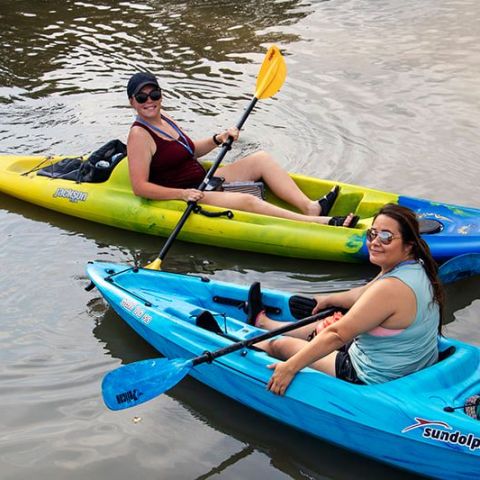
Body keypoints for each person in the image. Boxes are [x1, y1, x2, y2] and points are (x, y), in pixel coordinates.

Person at [247, 204, 444, 393]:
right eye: (372, 233)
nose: (375, 242)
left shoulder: (390, 287)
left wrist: (289, 368)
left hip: (373, 374)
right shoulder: (416, 267)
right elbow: (364, 293)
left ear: (409, 246)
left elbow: (337, 335)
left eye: (386, 237)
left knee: (281, 346)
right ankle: (265, 323)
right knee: (329, 322)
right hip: (407, 363)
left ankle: (246, 346)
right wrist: (331, 299)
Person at [126, 71, 359, 227]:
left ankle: (310, 208)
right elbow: (140, 187)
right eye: (142, 97)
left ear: (160, 94)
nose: (149, 100)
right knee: (249, 203)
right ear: (132, 102)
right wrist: (183, 194)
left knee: (261, 159)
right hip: (186, 194)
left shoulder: (163, 116)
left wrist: (219, 138)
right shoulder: (139, 135)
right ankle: (320, 224)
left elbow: (190, 150)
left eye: (154, 93)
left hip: (203, 179)